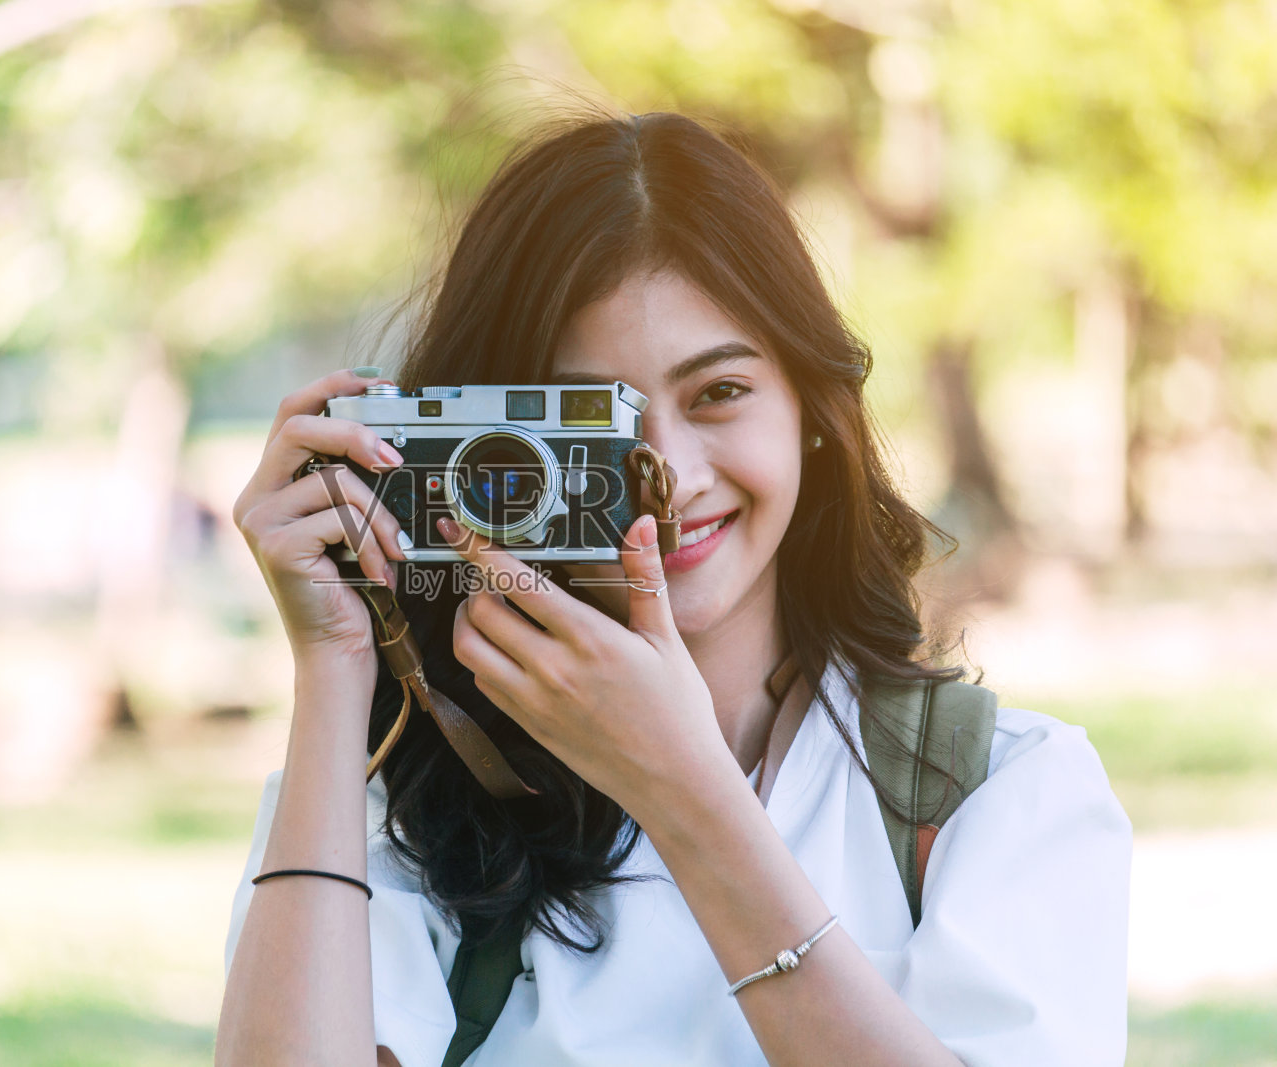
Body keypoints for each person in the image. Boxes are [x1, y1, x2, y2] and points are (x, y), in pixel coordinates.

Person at [215, 111, 1131, 1066]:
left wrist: (686, 791)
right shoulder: (390, 811)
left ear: (813, 411)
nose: (666, 472)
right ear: (482, 449)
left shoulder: (998, 792)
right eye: (590, 423)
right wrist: (334, 663)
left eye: (719, 393)